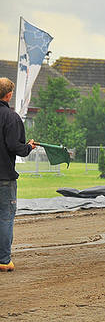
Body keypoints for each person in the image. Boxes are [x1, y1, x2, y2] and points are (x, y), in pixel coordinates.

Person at [0, 77, 36, 272]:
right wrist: (28, 147)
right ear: (9, 95)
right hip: (4, 178)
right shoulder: (11, 118)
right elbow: (16, 147)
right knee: (5, 218)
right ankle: (4, 260)